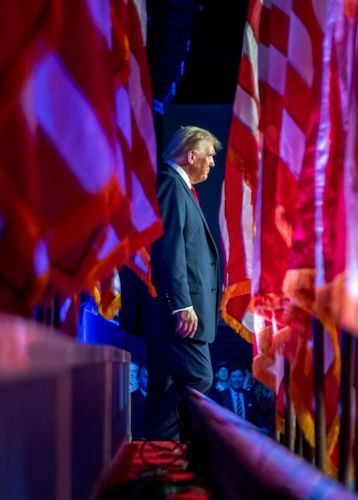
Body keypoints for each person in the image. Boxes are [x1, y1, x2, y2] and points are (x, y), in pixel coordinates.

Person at [138, 126, 222, 441]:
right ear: (191, 155)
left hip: (176, 314)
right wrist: (181, 304)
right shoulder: (171, 185)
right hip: (178, 315)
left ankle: (157, 452)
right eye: (209, 155)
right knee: (199, 377)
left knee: (163, 386)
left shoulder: (179, 188)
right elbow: (168, 248)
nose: (212, 162)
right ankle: (152, 438)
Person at [130, 364, 148, 439]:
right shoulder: (131, 399)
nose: (150, 380)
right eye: (146, 377)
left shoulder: (160, 398)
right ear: (138, 379)